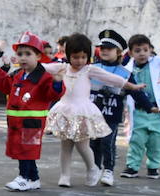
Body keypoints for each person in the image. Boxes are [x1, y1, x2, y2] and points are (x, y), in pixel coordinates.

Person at [41, 33, 143, 187]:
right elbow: (43, 68)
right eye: (76, 57)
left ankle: (92, 167)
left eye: (83, 57)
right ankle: (65, 175)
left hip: (83, 112)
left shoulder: (89, 70)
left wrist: (132, 86)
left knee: (82, 146)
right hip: (65, 110)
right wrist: (26, 64)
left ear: (88, 56)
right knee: (66, 145)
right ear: (69, 55)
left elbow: (112, 79)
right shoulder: (63, 68)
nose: (80, 61)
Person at [0, 32, 63, 191]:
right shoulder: (19, 75)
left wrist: (57, 83)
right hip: (17, 123)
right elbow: (5, 84)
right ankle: (34, 178)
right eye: (20, 54)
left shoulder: (43, 77)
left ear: (38, 56)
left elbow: (53, 94)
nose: (23, 58)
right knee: (20, 150)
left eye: (28, 54)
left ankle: (24, 177)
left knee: (26, 151)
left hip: (32, 123)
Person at [88, 29, 150, 187]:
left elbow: (136, 91)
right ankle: (95, 168)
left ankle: (108, 170)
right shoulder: (92, 68)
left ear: (118, 52)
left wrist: (149, 107)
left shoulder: (124, 73)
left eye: (109, 48)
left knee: (107, 142)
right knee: (93, 143)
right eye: (102, 48)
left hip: (112, 115)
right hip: (93, 114)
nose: (105, 51)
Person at [119, 34, 160, 180]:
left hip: (158, 111)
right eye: (137, 50)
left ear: (150, 50)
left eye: (145, 50)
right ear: (130, 53)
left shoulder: (158, 63)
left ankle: (153, 167)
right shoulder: (127, 69)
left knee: (157, 141)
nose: (142, 53)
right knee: (137, 140)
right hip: (138, 111)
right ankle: (132, 166)